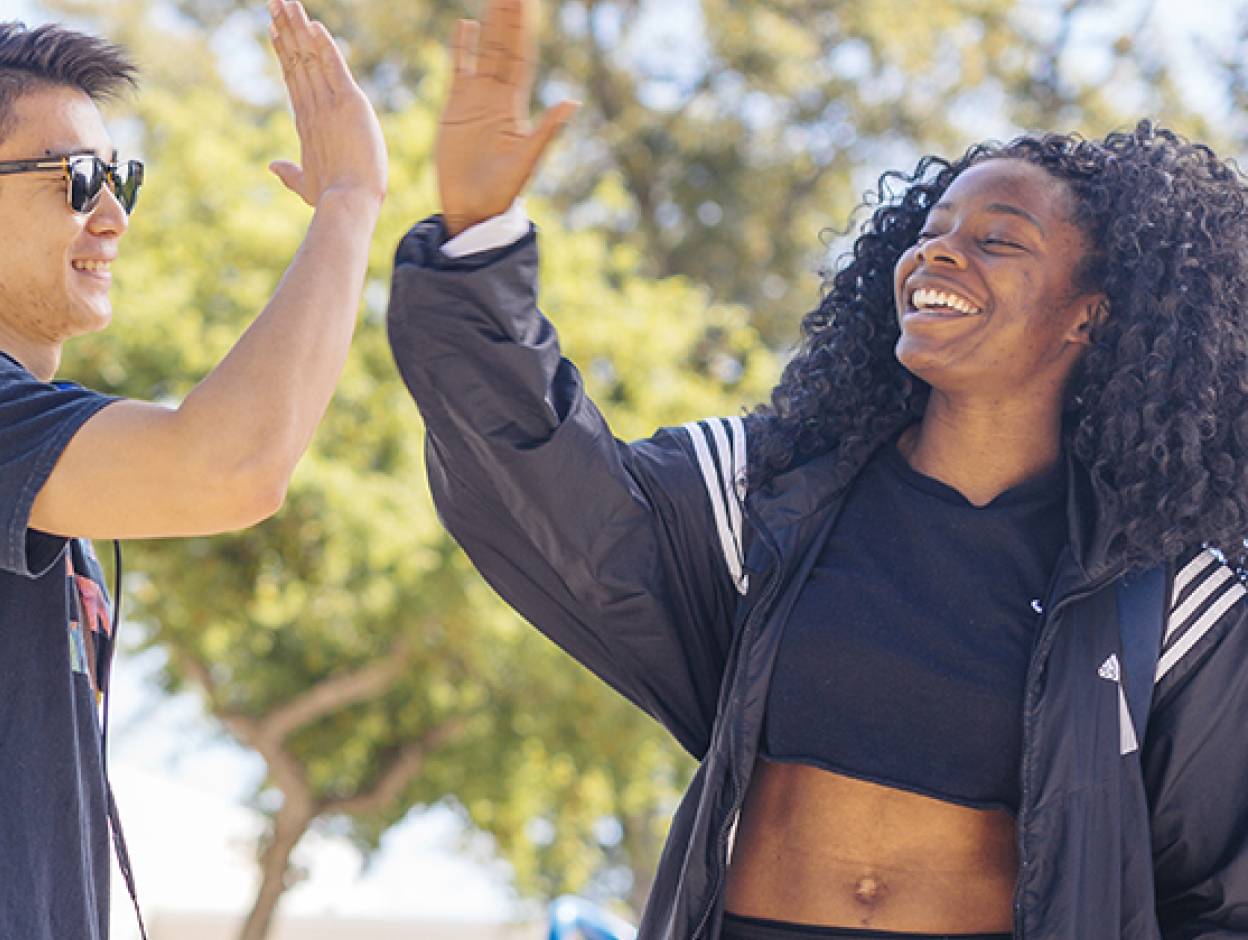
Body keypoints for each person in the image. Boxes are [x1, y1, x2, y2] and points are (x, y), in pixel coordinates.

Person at [386, 1, 1248, 937]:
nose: (941, 250)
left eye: (998, 238)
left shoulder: (1162, 594)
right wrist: (479, 240)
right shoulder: (767, 492)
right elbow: (545, 485)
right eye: (933, 226)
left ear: (1091, 315)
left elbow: (1217, 895)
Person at [0, 5, 385, 939]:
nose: (111, 215)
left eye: (119, 179)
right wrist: (351, 199)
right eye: (76, 179)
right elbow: (230, 467)